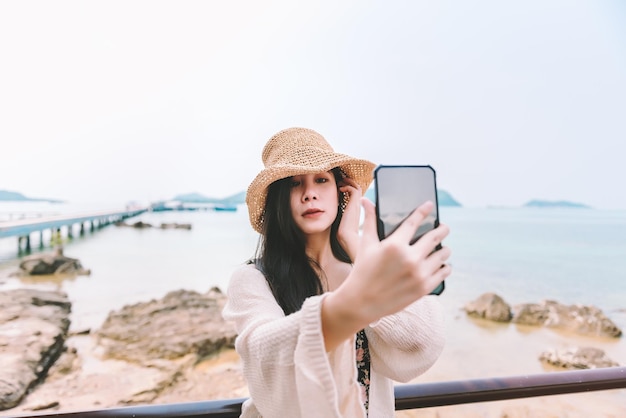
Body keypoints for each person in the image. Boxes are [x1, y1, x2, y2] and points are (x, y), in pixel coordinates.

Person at [222, 127, 451, 417]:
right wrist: (353, 304)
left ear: (341, 192)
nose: (309, 194)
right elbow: (264, 355)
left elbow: (423, 342)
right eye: (294, 184)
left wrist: (355, 243)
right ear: (279, 200)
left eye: (321, 180)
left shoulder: (364, 269)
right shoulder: (254, 278)